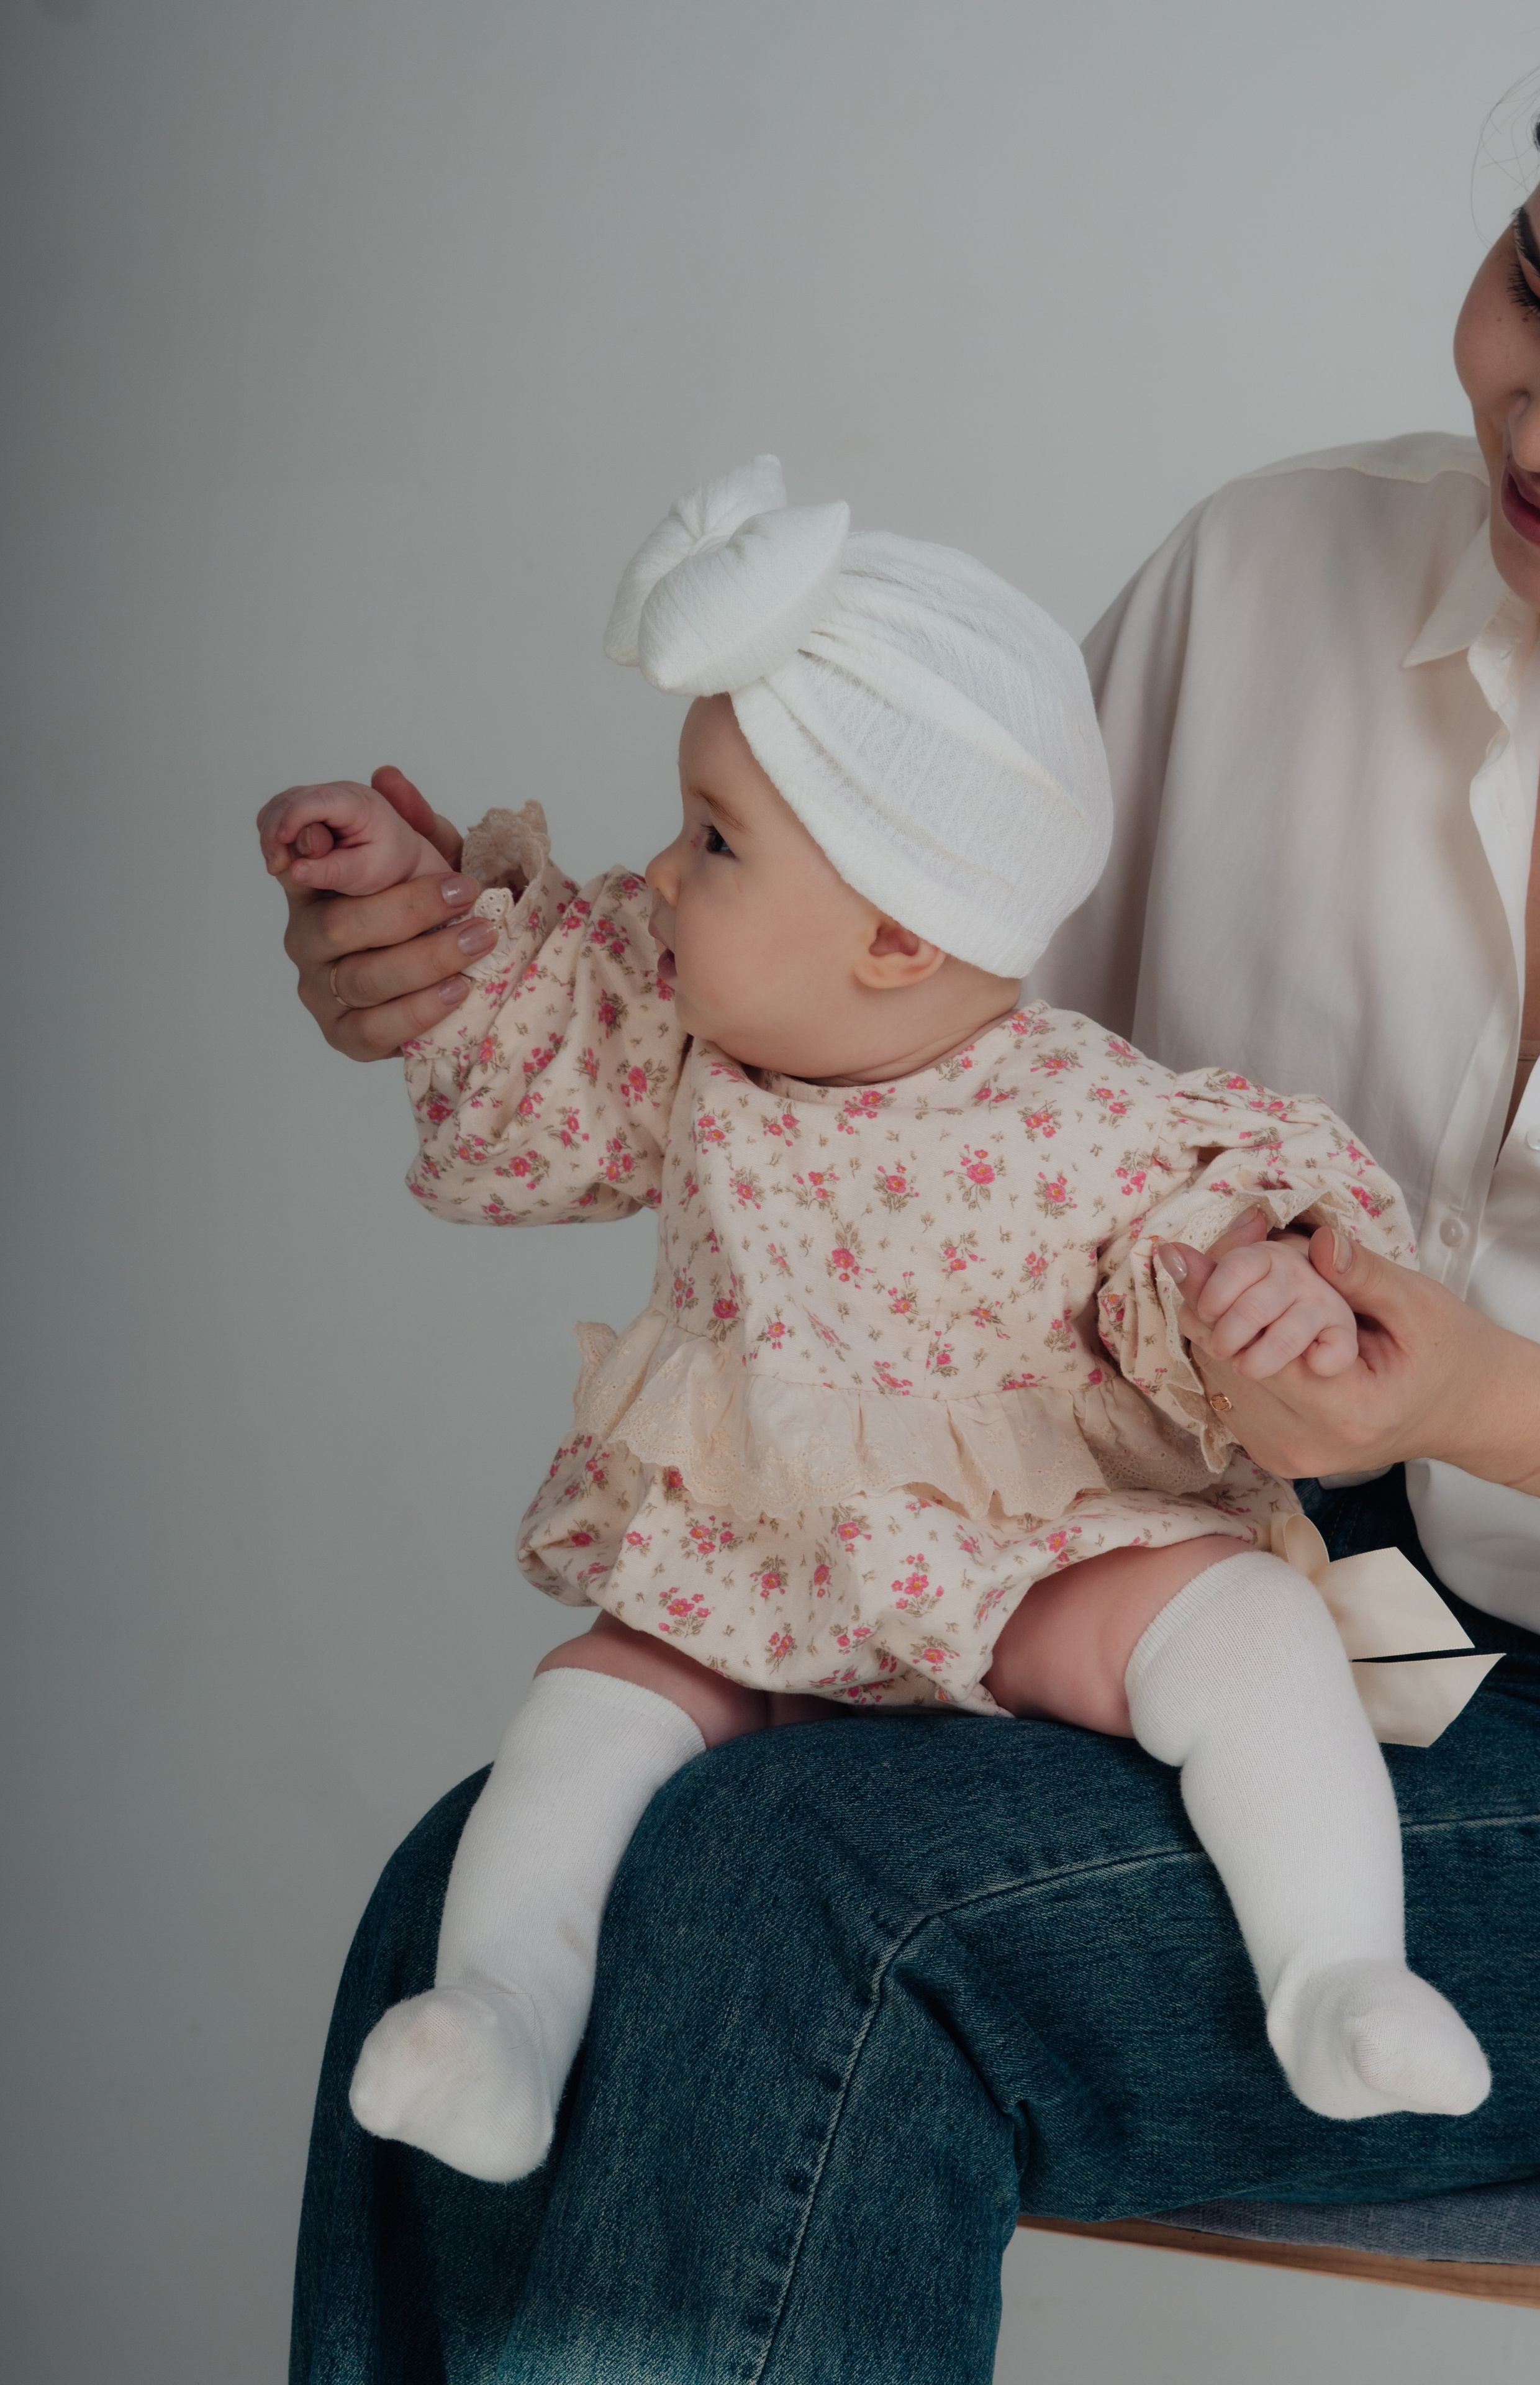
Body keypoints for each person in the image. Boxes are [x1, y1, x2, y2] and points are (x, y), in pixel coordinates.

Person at [280, 201, 1540, 2385]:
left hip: (1306, 1642)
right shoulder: (1270, 579)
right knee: (469, 1885)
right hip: (1235, 1563)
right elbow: (902, 1002)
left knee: (789, 1892)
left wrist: (1468, 1402)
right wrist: (464, 985)